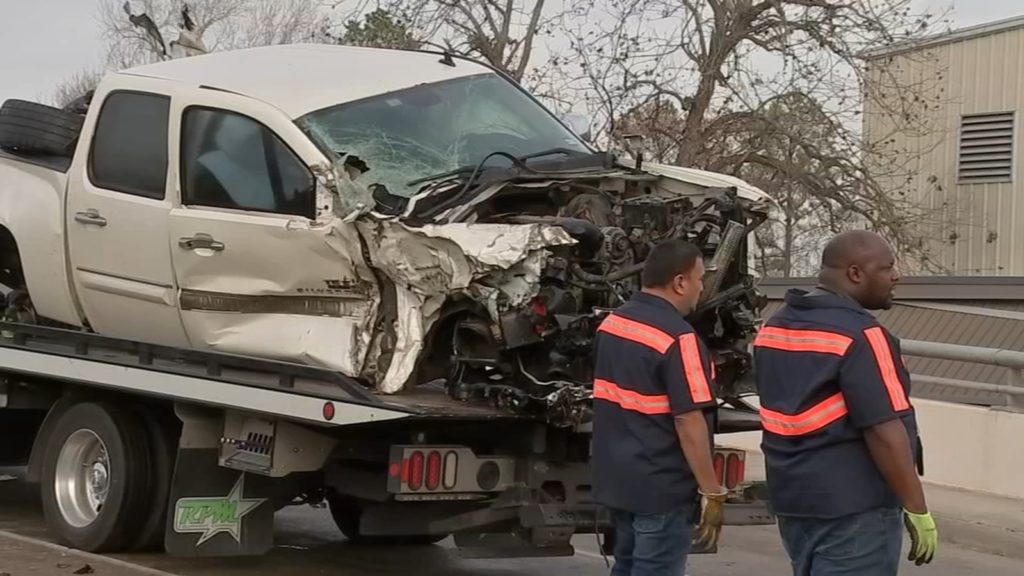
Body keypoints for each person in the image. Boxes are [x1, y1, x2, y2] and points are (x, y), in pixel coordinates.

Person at [753, 230, 938, 576]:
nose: (896, 276)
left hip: (793, 502)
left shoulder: (774, 328)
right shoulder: (863, 335)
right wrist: (917, 508)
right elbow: (884, 429)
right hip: (855, 510)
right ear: (855, 273)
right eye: (887, 268)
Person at [591, 238, 728, 576]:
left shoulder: (611, 325)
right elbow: (688, 421)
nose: (701, 288)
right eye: (699, 279)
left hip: (618, 481)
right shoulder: (680, 340)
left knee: (626, 566)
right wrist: (712, 490)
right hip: (662, 490)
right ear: (679, 282)